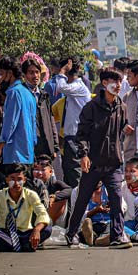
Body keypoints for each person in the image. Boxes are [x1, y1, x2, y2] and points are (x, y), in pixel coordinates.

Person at [64, 67, 131, 249]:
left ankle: (117, 236)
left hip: (114, 162)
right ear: (104, 83)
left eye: (119, 82)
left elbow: (121, 128)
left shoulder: (122, 107)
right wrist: (84, 155)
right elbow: (82, 134)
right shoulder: (91, 107)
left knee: (116, 198)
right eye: (113, 82)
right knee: (83, 198)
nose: (117, 85)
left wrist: (125, 129)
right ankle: (71, 234)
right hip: (93, 163)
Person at [0, 163, 51, 252]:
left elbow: (42, 214)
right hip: (5, 233)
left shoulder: (31, 194)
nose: (16, 183)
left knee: (47, 228)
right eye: (12, 179)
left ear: (24, 180)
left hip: (25, 234)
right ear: (6, 180)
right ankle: (23, 245)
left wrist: (36, 229)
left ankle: (9, 245)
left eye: (19, 179)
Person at [0, 57, 37, 167]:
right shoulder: (28, 93)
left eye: (1, 74)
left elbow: (9, 124)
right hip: (28, 153)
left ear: (10, 73)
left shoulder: (14, 93)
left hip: (15, 154)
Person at [56, 57, 92, 187]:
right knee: (70, 175)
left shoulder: (78, 87)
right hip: (71, 138)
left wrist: (62, 72)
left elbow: (60, 87)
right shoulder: (74, 90)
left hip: (77, 138)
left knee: (75, 176)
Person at [22, 57, 59, 160]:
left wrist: (55, 146)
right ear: (24, 75)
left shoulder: (44, 96)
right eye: (31, 72)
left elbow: (51, 121)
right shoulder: (20, 96)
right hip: (28, 149)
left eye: (37, 72)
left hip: (46, 148)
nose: (35, 76)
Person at [30, 155, 71, 224]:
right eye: (36, 169)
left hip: (52, 217)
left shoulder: (54, 183)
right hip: (32, 217)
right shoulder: (29, 184)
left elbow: (69, 190)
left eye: (43, 170)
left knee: (60, 194)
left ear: (50, 172)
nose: (39, 173)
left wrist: (54, 197)